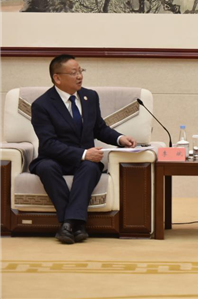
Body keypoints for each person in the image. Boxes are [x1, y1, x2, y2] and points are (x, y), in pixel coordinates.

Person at [29, 54, 137, 244]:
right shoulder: (42, 105)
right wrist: (85, 153)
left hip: (85, 163)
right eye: (74, 73)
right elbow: (48, 144)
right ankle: (76, 224)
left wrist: (120, 139)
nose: (79, 76)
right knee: (46, 168)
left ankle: (67, 225)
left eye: (81, 71)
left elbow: (99, 128)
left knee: (89, 167)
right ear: (57, 78)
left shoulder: (90, 97)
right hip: (53, 158)